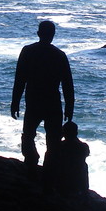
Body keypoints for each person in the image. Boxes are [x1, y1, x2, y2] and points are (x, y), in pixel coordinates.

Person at [11, 20, 74, 172]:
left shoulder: (28, 51)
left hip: (33, 100)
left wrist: (15, 102)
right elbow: (68, 85)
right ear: (53, 35)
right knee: (53, 140)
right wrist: (69, 108)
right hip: (53, 102)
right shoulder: (59, 55)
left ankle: (31, 160)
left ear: (38, 33)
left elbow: (20, 80)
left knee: (28, 135)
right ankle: (49, 169)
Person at [46, 120, 90, 198]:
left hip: (62, 184)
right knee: (83, 165)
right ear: (76, 133)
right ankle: (84, 193)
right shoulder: (83, 146)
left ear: (63, 133)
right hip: (78, 183)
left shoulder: (60, 146)